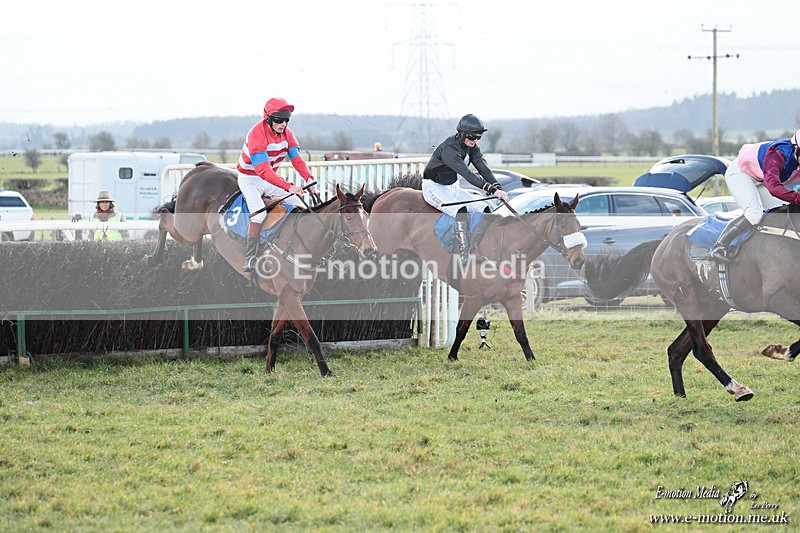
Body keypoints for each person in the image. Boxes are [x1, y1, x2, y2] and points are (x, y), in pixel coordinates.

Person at [237, 97, 317, 272]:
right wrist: (289, 186)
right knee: (258, 214)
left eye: (286, 120)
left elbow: (297, 159)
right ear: (268, 118)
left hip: (269, 177)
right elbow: (263, 171)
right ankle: (250, 256)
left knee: (300, 204)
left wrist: (308, 179)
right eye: (279, 120)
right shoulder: (257, 134)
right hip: (250, 178)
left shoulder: (288, 134)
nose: (283, 124)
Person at [422, 114, 508, 265]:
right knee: (461, 210)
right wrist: (492, 190)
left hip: (452, 187)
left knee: (485, 208)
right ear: (462, 133)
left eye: (478, 138)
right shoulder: (449, 149)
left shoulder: (472, 146)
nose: (475, 141)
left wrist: (497, 186)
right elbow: (467, 174)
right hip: (434, 188)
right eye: (472, 137)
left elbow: (483, 167)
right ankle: (463, 253)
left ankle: (477, 246)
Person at [705, 130, 800, 263]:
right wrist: (797, 197)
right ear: (796, 148)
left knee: (778, 214)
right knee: (754, 214)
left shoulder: (796, 154)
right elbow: (774, 188)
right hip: (741, 173)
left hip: (762, 179)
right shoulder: (777, 154)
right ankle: (719, 246)